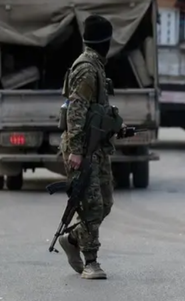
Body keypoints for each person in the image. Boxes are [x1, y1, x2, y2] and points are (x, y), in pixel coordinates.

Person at [58, 15, 119, 280]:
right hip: (83, 148)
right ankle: (91, 262)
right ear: (106, 41)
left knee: (105, 203)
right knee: (92, 205)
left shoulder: (97, 66)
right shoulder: (85, 68)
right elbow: (76, 110)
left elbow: (96, 111)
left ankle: (72, 238)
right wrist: (76, 150)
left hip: (96, 147)